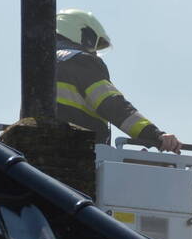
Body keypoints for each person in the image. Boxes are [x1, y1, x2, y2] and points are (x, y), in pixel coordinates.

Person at [53, 9, 181, 153]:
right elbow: (112, 104)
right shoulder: (81, 61)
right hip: (77, 152)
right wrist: (155, 135)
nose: (94, 52)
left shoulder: (43, 62)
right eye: (93, 44)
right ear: (83, 34)